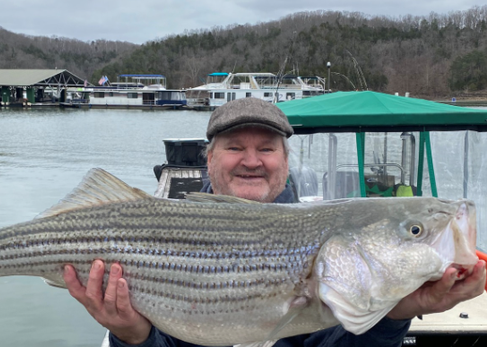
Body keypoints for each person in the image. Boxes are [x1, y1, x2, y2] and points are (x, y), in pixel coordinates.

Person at [63, 98, 487, 347]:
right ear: (209, 159)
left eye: (266, 148)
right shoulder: (168, 225)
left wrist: (396, 313)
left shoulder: (320, 239)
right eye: (234, 147)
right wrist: (132, 336)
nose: (251, 161)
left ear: (285, 163)